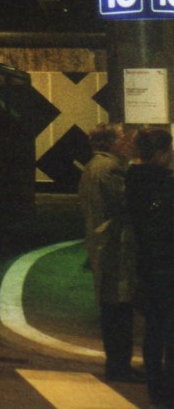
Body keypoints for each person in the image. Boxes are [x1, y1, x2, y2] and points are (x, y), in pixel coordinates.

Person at [78, 123, 141, 383]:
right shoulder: (110, 168)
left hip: (101, 243)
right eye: (121, 139)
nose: (125, 143)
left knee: (111, 310)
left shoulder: (93, 167)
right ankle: (119, 366)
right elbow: (126, 203)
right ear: (110, 143)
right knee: (119, 311)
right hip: (115, 246)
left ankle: (116, 365)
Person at [126, 126, 174, 406]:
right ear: (160, 152)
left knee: (154, 329)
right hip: (167, 266)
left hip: (147, 266)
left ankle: (156, 389)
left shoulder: (131, 180)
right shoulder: (164, 184)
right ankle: (168, 390)